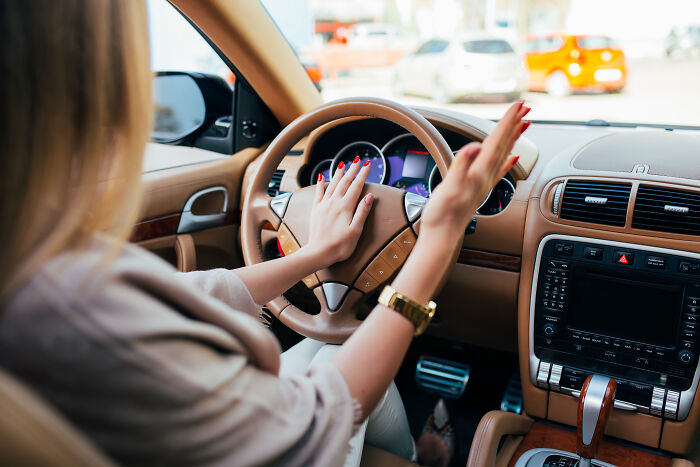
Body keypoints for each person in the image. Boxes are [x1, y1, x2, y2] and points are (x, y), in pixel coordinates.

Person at [0, 1, 530, 466]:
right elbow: (322, 416)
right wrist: (439, 234)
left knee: (328, 346)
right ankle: (423, 456)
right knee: (339, 354)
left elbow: (194, 295)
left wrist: (318, 252)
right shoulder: (70, 312)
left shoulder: (35, 264)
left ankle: (417, 453)